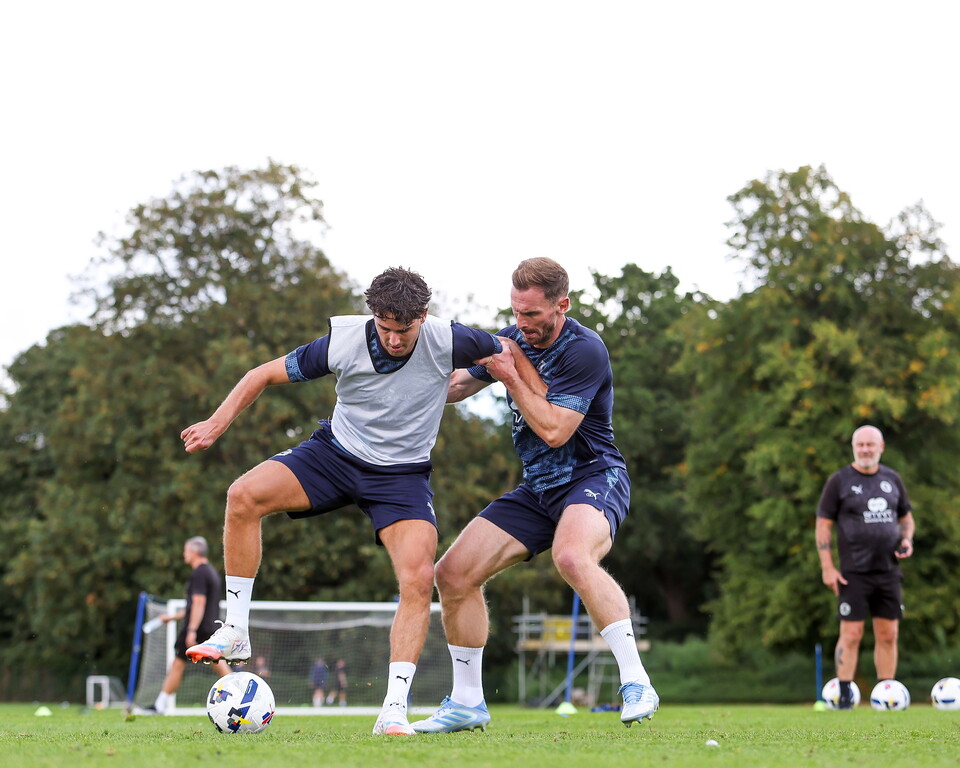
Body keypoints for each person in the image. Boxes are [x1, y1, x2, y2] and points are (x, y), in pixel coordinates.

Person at [180, 267, 502, 736]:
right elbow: (261, 374)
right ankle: (235, 629)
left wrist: (531, 396)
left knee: (417, 577)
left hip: (402, 477)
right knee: (242, 495)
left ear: (423, 317)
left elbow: (509, 351)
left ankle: (394, 708)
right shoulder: (342, 341)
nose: (394, 339)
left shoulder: (450, 340)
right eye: (385, 328)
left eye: (404, 329)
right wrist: (215, 422)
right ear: (374, 315)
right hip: (333, 456)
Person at [413, 257, 658, 733]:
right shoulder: (512, 337)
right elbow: (459, 383)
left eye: (533, 316)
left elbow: (553, 430)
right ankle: (466, 703)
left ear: (561, 305)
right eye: (516, 313)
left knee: (570, 556)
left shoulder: (585, 350)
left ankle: (636, 681)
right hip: (538, 490)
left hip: (593, 475)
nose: (522, 325)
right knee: (454, 574)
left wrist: (509, 374)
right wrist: (401, 379)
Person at [815, 425, 916, 709]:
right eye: (860, 445)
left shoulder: (892, 479)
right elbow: (823, 525)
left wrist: (907, 539)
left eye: (870, 445)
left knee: (888, 634)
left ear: (881, 447)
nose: (865, 450)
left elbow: (906, 518)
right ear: (853, 447)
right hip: (853, 573)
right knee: (851, 633)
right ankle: (844, 694)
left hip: (888, 571)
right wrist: (827, 567)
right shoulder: (840, 481)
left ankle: (887, 694)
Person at [148, 536, 231, 714]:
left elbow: (199, 603)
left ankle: (159, 705)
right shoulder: (210, 572)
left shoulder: (199, 573)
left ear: (194, 552)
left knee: (178, 663)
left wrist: (191, 630)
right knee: (219, 665)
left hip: (198, 628)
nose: (183, 554)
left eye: (185, 550)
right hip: (210, 628)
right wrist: (171, 618)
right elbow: (194, 606)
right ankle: (238, 693)